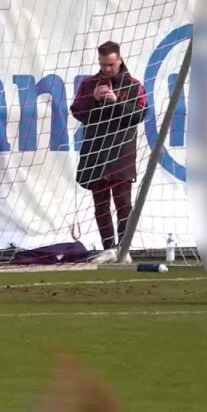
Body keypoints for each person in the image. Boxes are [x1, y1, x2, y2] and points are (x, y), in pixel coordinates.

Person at [71, 41, 147, 261]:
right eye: (103, 65)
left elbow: (140, 115)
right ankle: (108, 247)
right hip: (96, 152)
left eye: (111, 64)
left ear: (120, 60)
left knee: (124, 203)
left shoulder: (133, 85)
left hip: (122, 153)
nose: (107, 69)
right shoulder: (88, 85)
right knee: (100, 204)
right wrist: (93, 99)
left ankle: (123, 248)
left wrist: (118, 101)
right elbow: (77, 112)